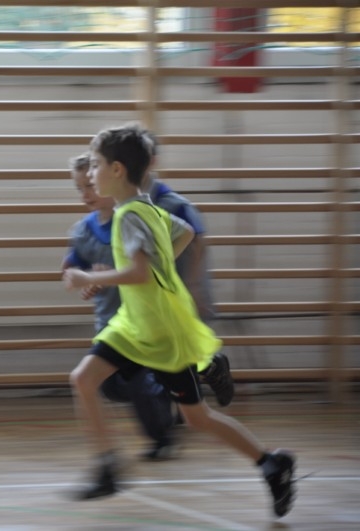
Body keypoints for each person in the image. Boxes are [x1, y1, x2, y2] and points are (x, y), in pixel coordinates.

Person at [63, 124, 296, 518]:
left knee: (196, 417)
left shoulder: (129, 216)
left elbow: (138, 272)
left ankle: (271, 463)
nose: (91, 173)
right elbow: (184, 232)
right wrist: (155, 266)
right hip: (133, 325)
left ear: (117, 170)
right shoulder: (146, 208)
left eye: (96, 165)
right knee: (83, 379)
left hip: (160, 332)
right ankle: (107, 467)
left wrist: (89, 278)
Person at [63, 153, 179, 461]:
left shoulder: (130, 220)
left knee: (136, 383)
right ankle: (168, 391)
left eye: (90, 185)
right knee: (110, 387)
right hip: (108, 322)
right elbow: (70, 269)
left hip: (140, 321)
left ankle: (161, 438)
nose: (85, 194)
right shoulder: (82, 231)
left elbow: (147, 267)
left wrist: (102, 275)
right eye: (79, 188)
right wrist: (82, 278)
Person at [141, 131, 233, 406]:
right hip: (157, 292)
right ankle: (202, 378)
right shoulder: (129, 203)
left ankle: (211, 370)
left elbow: (198, 241)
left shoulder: (174, 203)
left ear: (152, 161)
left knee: (181, 353)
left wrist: (193, 286)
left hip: (182, 287)